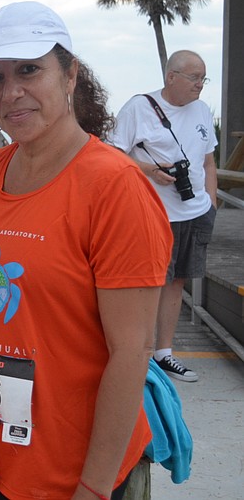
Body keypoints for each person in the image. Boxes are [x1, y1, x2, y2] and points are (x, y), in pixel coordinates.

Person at [0, 1, 172, 500]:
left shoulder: (115, 188)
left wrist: (92, 488)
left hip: (84, 473)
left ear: (70, 75)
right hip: (0, 455)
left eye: (29, 69)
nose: (11, 92)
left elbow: (130, 354)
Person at [108, 50, 218, 383]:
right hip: (155, 215)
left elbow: (209, 162)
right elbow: (112, 154)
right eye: (194, 77)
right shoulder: (139, 108)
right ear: (171, 77)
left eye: (203, 78)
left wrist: (211, 204)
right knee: (149, 284)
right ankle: (137, 355)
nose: (200, 85)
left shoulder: (200, 110)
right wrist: (151, 171)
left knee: (178, 281)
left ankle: (164, 353)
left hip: (196, 213)